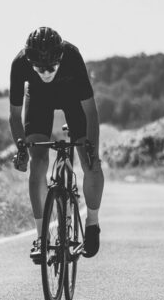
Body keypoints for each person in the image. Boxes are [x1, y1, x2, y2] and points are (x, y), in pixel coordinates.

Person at [9, 27, 105, 263]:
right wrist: (21, 149)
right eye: (39, 69)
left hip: (72, 97)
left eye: (51, 67)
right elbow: (14, 115)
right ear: (30, 62)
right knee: (38, 162)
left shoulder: (72, 56)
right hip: (39, 100)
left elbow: (90, 113)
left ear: (60, 59)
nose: (46, 73)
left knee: (90, 163)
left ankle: (92, 223)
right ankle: (41, 237)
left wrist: (91, 148)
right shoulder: (20, 63)